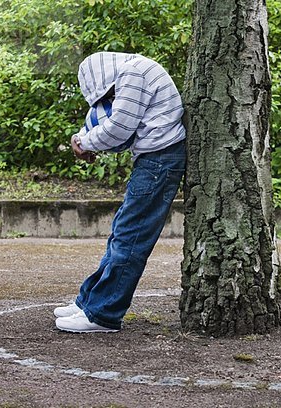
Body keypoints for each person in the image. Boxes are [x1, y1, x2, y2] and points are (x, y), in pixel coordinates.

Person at [54, 52, 186, 333]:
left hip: (159, 159)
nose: (109, 97)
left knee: (130, 237)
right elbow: (110, 121)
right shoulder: (134, 71)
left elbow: (119, 127)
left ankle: (103, 315)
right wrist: (84, 138)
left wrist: (84, 142)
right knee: (122, 233)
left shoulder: (132, 74)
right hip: (155, 158)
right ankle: (88, 302)